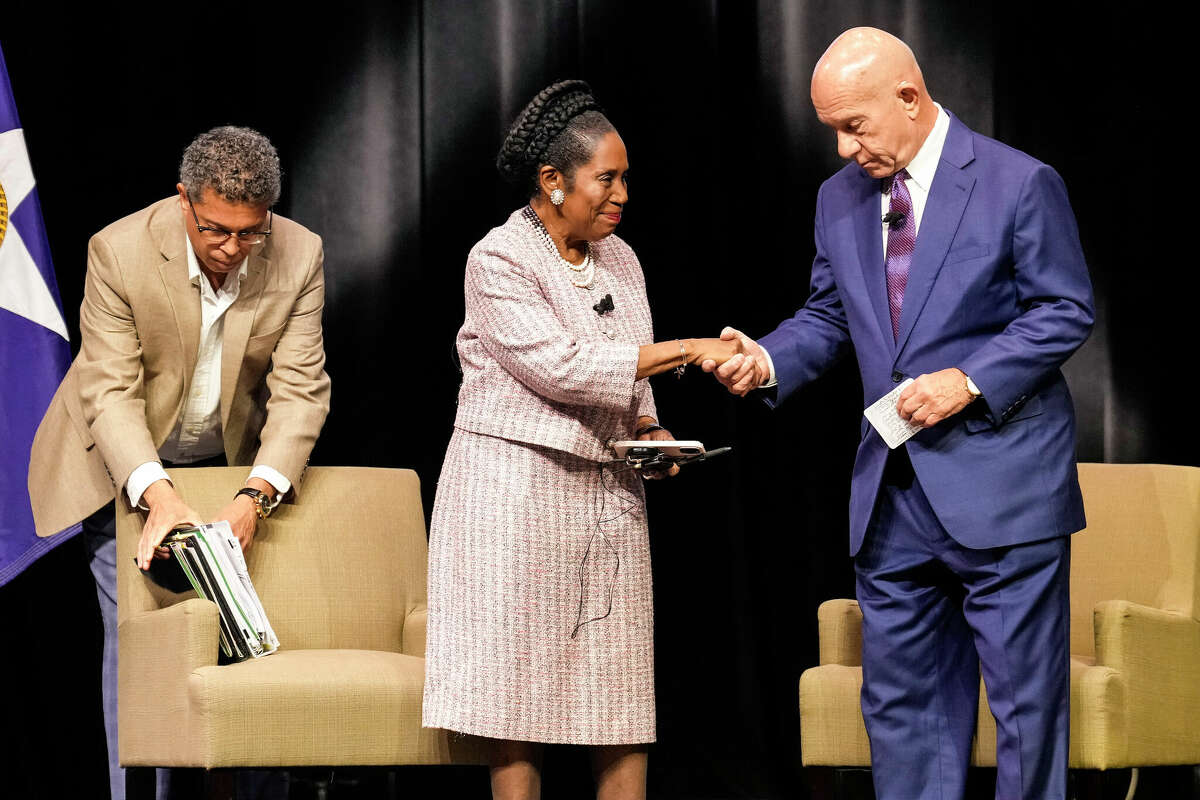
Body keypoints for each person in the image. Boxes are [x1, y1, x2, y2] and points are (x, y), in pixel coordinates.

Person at [706, 28, 1094, 800]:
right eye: (833, 132)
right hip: (893, 498)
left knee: (1025, 712)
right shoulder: (838, 199)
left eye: (855, 126)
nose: (845, 149)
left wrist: (970, 380)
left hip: (1004, 489)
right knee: (903, 714)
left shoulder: (1018, 183)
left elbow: (1064, 308)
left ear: (909, 98)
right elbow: (828, 317)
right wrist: (768, 359)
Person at [421, 80, 741, 800]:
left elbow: (632, 378)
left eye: (625, 176)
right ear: (552, 180)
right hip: (513, 498)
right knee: (517, 701)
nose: (622, 191)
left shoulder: (621, 259)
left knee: (619, 694)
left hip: (606, 499)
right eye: (608, 177)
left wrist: (651, 430)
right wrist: (690, 347)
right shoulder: (498, 258)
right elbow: (560, 366)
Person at [28, 125, 331, 800]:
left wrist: (256, 495)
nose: (231, 249)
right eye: (215, 230)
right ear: (184, 200)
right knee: (140, 641)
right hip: (124, 462)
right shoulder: (119, 250)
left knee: (243, 636)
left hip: (230, 467)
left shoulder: (300, 252)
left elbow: (302, 390)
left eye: (249, 233)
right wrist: (156, 494)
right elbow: (108, 392)